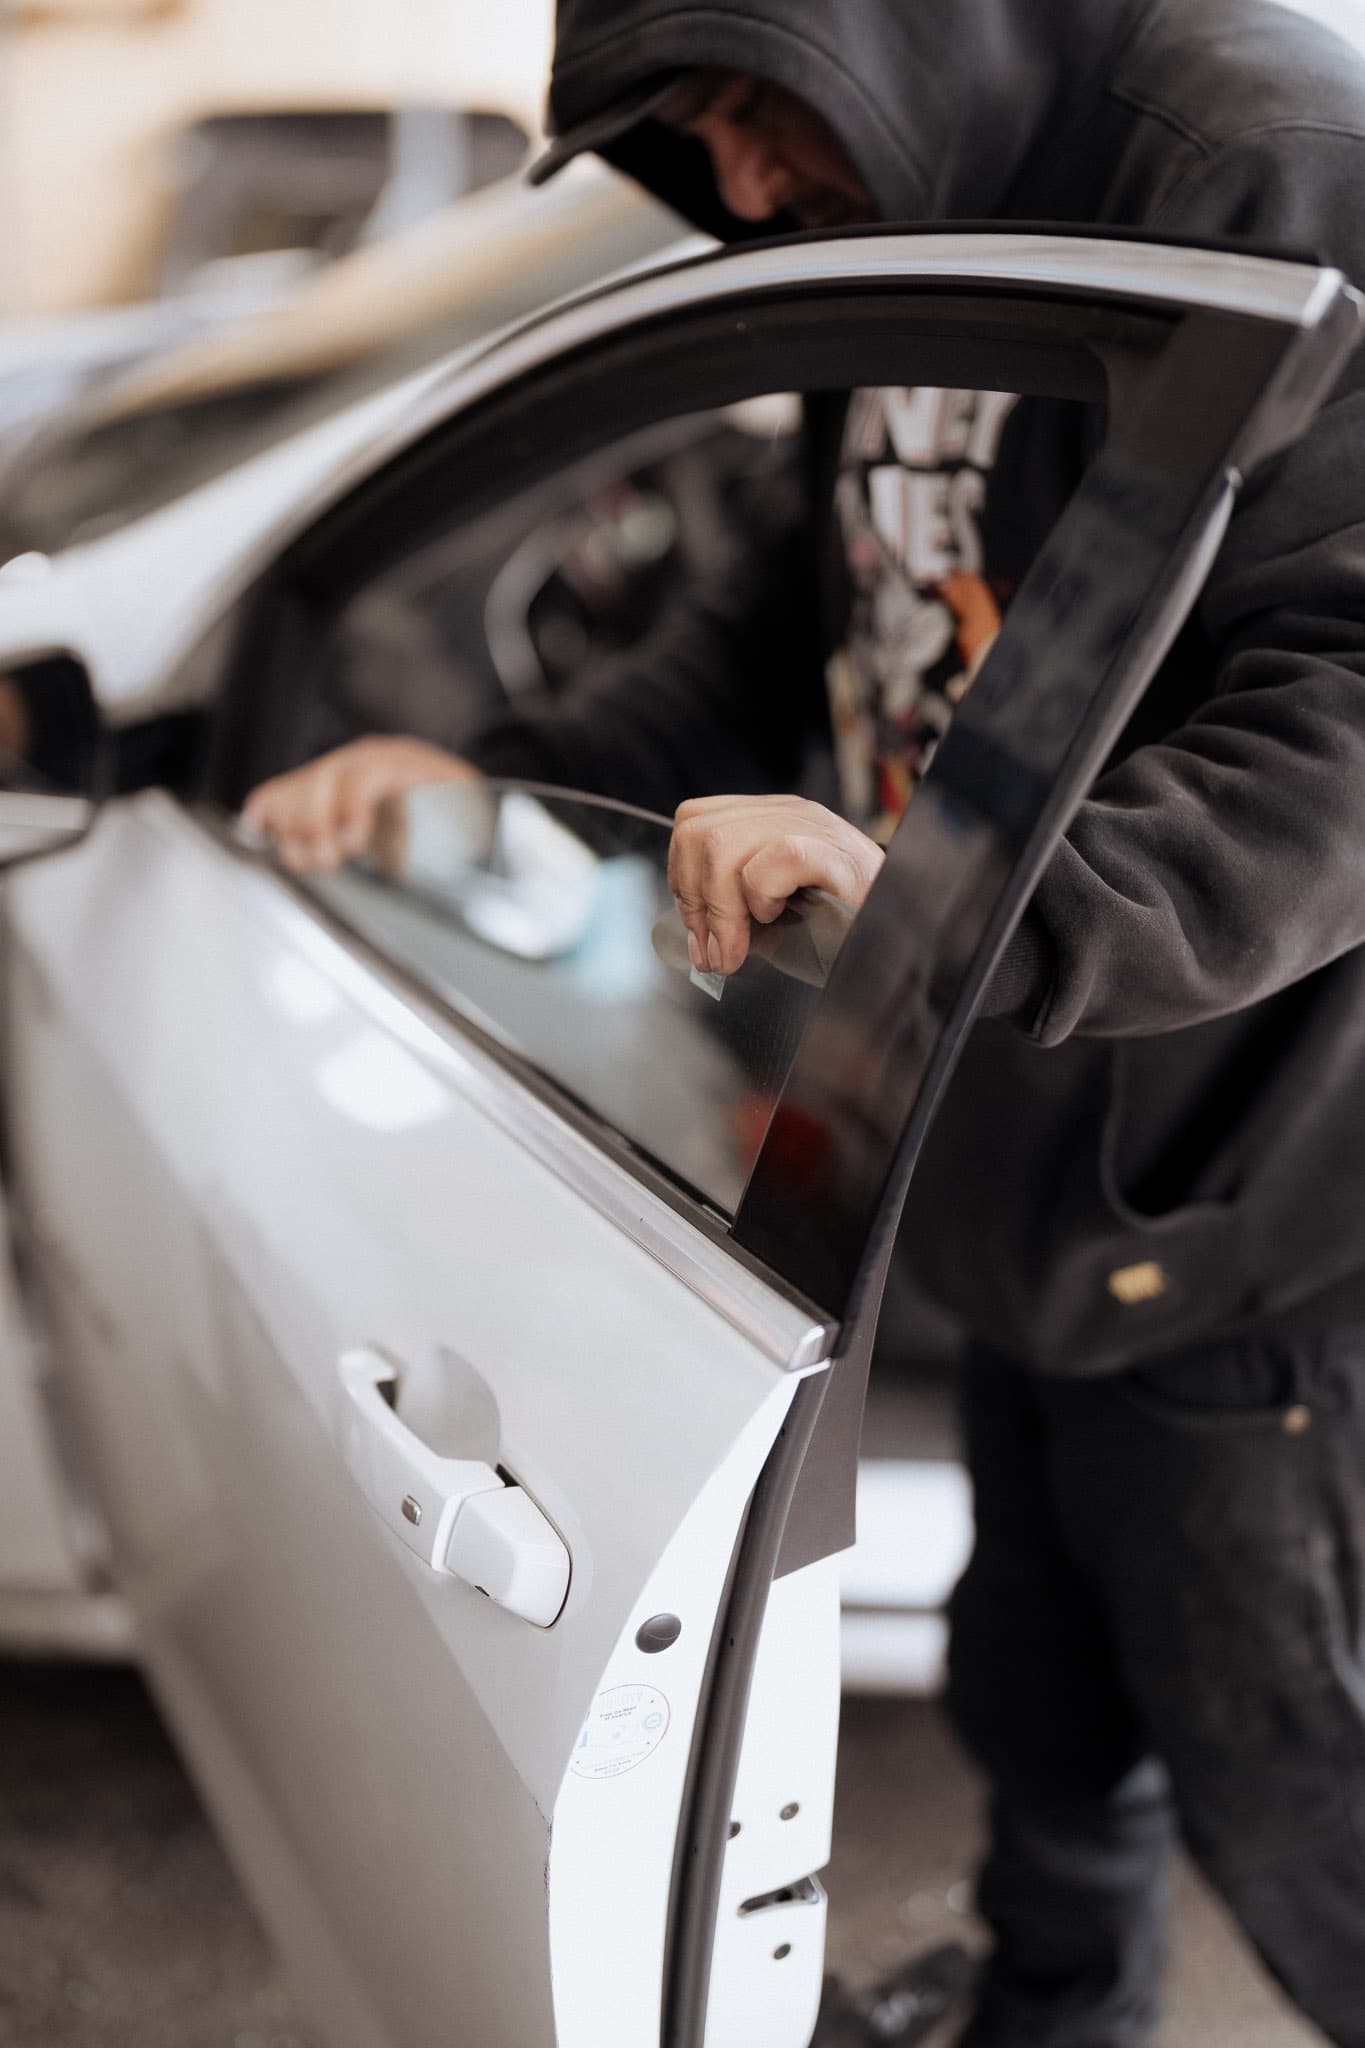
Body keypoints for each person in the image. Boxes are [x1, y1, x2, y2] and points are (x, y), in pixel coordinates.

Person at [245, 3, 1365, 2042]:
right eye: (695, 140)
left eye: (749, 105)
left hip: (1235, 1231)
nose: (744, 182)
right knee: (1039, 1713)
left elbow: (1354, 699)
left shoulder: (1256, 158)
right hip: (1007, 1167)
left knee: (1301, 1796)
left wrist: (965, 908)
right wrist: (479, 782)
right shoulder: (912, 211)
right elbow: (789, 609)